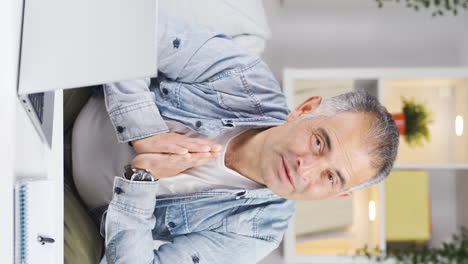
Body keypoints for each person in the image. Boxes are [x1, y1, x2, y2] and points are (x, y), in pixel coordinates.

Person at [71, 14, 399, 264]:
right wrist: (144, 131)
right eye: (319, 142)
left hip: (78, 209)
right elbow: (136, 28)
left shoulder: (258, 232)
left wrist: (141, 182)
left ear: (335, 195)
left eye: (330, 177)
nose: (305, 169)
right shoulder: (242, 77)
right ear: (304, 109)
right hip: (74, 102)